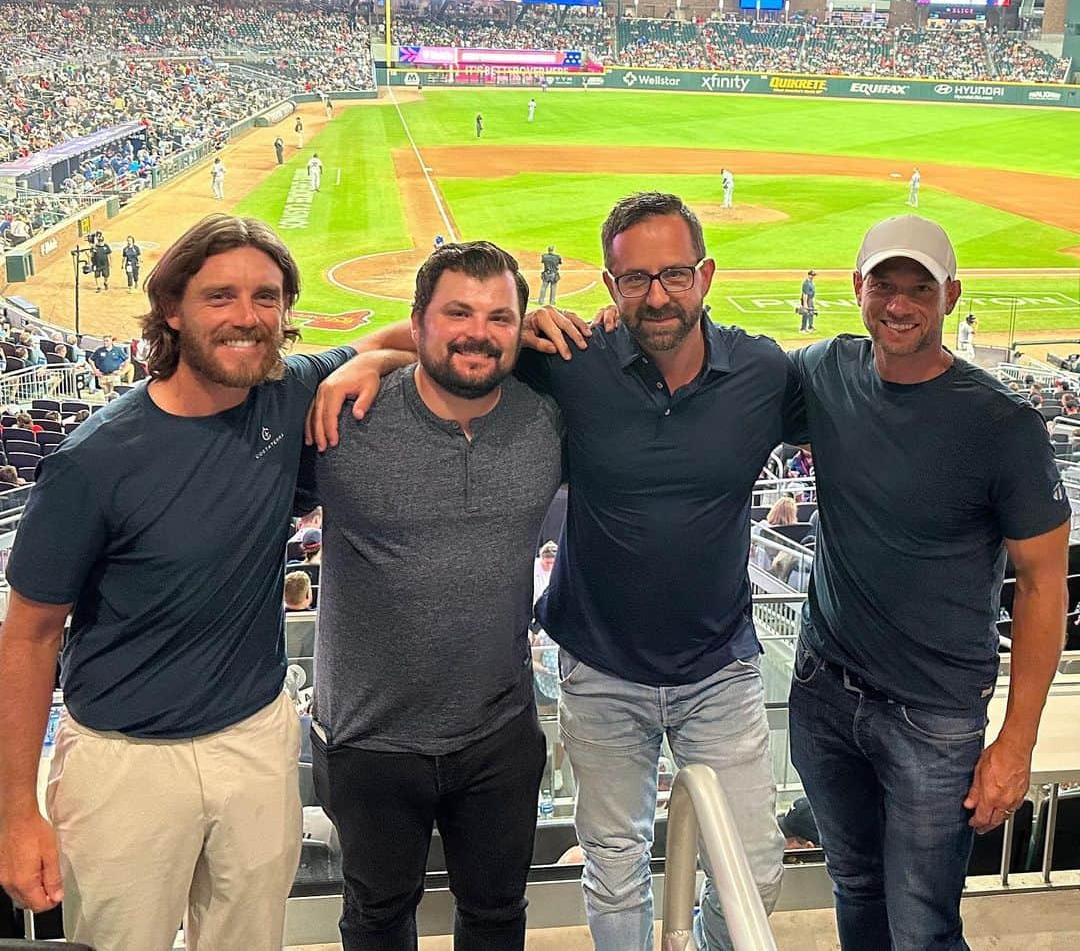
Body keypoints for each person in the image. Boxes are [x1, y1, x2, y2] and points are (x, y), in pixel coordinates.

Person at [310, 193, 804, 951]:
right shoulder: (572, 363)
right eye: (634, 278)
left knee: (756, 862)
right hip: (598, 670)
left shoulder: (764, 372)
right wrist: (372, 356)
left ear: (705, 276)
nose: (658, 294)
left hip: (722, 669)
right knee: (612, 866)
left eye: (674, 273)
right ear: (609, 287)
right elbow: (465, 349)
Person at [0, 214, 391, 951]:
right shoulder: (94, 462)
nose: (248, 317)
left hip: (255, 744)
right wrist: (15, 813)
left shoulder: (285, 391)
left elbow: (399, 342)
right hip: (124, 767)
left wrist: (360, 366)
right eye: (221, 297)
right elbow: (28, 635)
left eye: (266, 298)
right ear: (173, 311)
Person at [787, 214, 1069, 951]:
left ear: (950, 296)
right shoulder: (825, 369)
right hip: (824, 691)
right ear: (858, 288)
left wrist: (1015, 742)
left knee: (921, 926)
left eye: (920, 288)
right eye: (885, 284)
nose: (900, 304)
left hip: (934, 719)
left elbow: (1044, 587)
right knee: (856, 889)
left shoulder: (1002, 425)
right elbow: (717, 380)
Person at [306, 241, 563, 950]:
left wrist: (379, 353)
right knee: (377, 920)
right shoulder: (342, 420)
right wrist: (367, 356)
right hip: (368, 741)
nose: (478, 332)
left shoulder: (547, 421)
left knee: (497, 916)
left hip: (498, 735)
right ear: (418, 321)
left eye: (499, 317)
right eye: (457, 312)